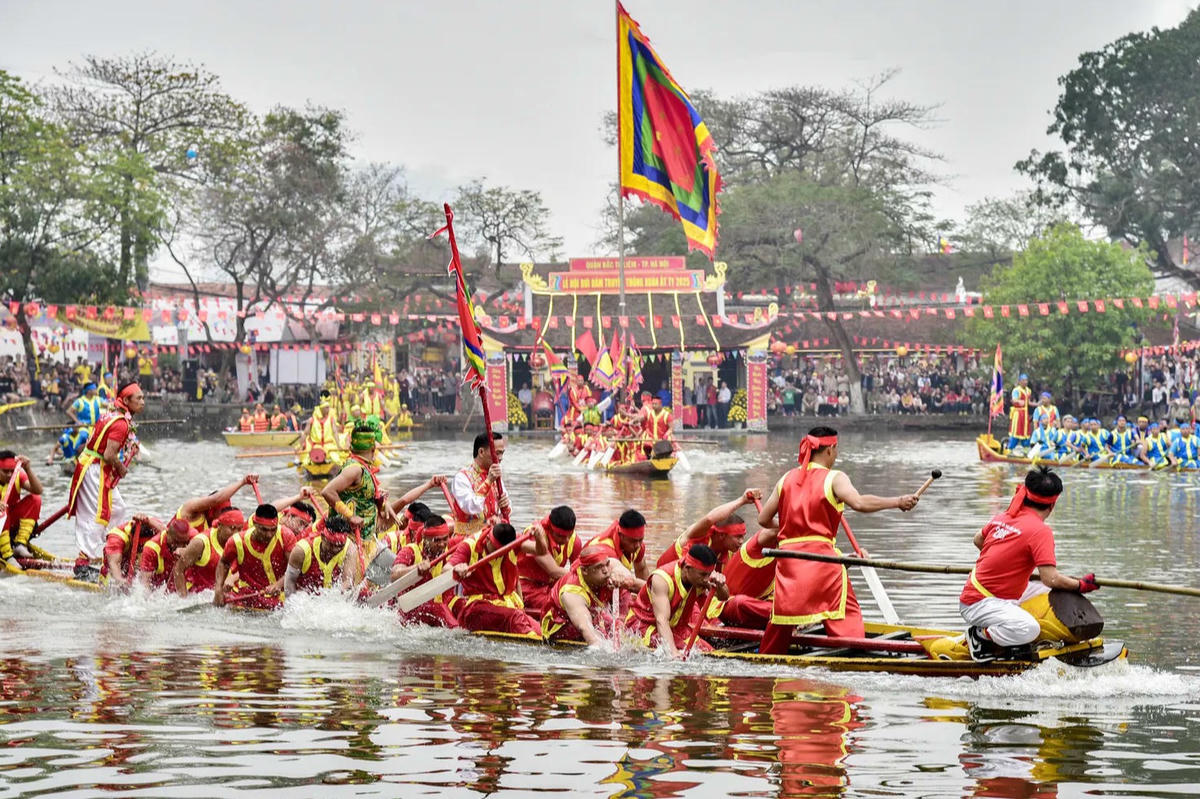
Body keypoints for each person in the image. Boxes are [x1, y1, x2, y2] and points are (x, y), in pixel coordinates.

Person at [756, 427, 919, 655]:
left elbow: (763, 519)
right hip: (823, 564)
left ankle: (766, 656)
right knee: (846, 613)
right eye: (837, 449)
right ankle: (854, 655)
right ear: (830, 449)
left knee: (782, 617)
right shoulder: (835, 477)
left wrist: (788, 527)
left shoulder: (786, 478)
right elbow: (859, 503)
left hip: (788, 565)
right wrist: (898, 501)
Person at [960, 467, 1098, 661]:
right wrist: (1080, 585)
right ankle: (980, 636)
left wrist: (1007, 561)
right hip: (979, 602)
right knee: (1030, 628)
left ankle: (1012, 632)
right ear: (1052, 504)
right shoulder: (1041, 531)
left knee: (1053, 592)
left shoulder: (1004, 517)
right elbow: (1050, 578)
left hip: (988, 593)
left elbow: (978, 540)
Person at [66, 381, 145, 582]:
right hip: (95, 470)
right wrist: (121, 468)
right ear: (126, 400)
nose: (143, 402)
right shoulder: (121, 423)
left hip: (98, 468)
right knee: (98, 516)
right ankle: (83, 564)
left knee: (118, 509)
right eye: (139, 398)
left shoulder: (112, 414)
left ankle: (112, 552)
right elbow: (109, 455)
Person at [625, 543, 727, 658]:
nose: (706, 579)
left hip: (678, 629)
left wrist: (720, 585)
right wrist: (673, 652)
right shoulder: (661, 579)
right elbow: (662, 620)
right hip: (643, 626)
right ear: (687, 568)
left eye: (709, 574)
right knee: (692, 655)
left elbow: (723, 597)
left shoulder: (700, 576)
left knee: (711, 655)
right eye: (703, 574)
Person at [447, 522, 541, 638]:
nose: (499, 555)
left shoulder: (513, 541)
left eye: (503, 552)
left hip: (507, 605)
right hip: (476, 609)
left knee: (540, 631)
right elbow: (446, 569)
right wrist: (457, 569)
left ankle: (535, 637)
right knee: (515, 617)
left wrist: (540, 538)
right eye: (496, 550)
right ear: (488, 539)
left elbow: (540, 551)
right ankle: (532, 642)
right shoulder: (469, 545)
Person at [213, 504, 296, 610]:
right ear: (255, 524)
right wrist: (218, 589)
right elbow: (224, 563)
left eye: (273, 530)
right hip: (245, 599)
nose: (269, 535)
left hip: (279, 601)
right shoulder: (237, 541)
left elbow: (294, 569)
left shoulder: (286, 536)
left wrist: (279, 584)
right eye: (264, 530)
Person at [656, 489, 760, 569]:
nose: (741, 542)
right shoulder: (697, 535)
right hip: (664, 582)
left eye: (742, 537)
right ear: (721, 535)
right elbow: (709, 519)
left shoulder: (730, 552)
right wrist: (742, 500)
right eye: (738, 537)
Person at [388, 514, 459, 627]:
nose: (442, 544)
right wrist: (416, 568)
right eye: (436, 540)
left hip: (438, 605)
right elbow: (394, 575)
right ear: (425, 538)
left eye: (445, 539)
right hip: (412, 608)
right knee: (439, 609)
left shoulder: (449, 549)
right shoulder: (410, 550)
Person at [322, 424, 386, 542]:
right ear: (373, 449)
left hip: (365, 537)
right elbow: (327, 491)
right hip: (351, 539)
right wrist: (350, 516)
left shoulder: (361, 465)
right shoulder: (355, 469)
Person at [541, 546, 615, 645]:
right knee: (601, 632)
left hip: (588, 613)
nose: (606, 571)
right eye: (599, 567)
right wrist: (601, 649)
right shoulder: (572, 592)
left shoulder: (601, 570)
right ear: (584, 571)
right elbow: (585, 627)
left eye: (607, 564)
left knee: (614, 624)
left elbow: (618, 566)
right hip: (560, 626)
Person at [516, 506, 581, 615]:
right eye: (560, 536)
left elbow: (579, 569)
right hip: (527, 586)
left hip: (551, 585)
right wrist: (582, 577)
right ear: (550, 528)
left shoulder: (575, 541)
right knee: (560, 605)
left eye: (569, 535)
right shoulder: (535, 534)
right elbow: (553, 571)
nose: (566, 540)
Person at [173, 507, 248, 593]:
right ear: (219, 525)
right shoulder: (200, 543)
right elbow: (178, 569)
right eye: (232, 528)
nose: (236, 533)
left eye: (239, 529)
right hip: (198, 594)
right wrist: (183, 598)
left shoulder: (241, 540)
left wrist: (232, 578)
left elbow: (247, 570)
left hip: (225, 593)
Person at [450, 432, 510, 537]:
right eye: (497, 453)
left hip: (492, 536)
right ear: (481, 452)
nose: (500, 458)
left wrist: (506, 505)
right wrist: (488, 481)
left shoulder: (496, 477)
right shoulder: (462, 477)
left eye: (502, 453)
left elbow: (506, 511)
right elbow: (471, 507)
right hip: (467, 538)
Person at [284, 515, 360, 596]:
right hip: (305, 598)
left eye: (340, 546)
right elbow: (289, 582)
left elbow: (348, 581)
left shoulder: (350, 549)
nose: (335, 550)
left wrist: (331, 597)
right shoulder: (301, 550)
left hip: (331, 598)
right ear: (323, 537)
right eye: (331, 545)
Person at [586, 509, 652, 588]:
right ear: (621, 535)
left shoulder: (638, 545)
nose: (638, 545)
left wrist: (648, 593)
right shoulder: (606, 548)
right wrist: (652, 590)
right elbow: (629, 583)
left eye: (641, 540)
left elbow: (641, 569)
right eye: (633, 541)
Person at [0, 452, 43, 570]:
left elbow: (38, 490)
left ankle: (20, 544)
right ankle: (8, 556)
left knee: (35, 499)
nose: (10, 475)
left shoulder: (17, 475)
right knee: (3, 510)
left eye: (12, 471)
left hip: (11, 522)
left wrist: (28, 469)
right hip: (1, 522)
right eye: (5, 471)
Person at [137, 515, 200, 593]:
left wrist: (187, 551)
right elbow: (145, 584)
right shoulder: (151, 549)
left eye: (184, 542)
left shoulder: (195, 537)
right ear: (167, 534)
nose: (180, 546)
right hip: (158, 588)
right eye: (176, 541)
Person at [1006, 374, 1032, 451]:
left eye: (1026, 380)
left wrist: (1037, 404)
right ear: (1019, 381)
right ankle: (1010, 449)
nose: (1025, 382)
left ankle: (1026, 449)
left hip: (1025, 414)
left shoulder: (1028, 390)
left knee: (1025, 432)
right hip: (1018, 413)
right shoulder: (1016, 390)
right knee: (1016, 431)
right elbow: (1014, 400)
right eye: (1023, 380)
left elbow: (1028, 402)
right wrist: (1018, 401)